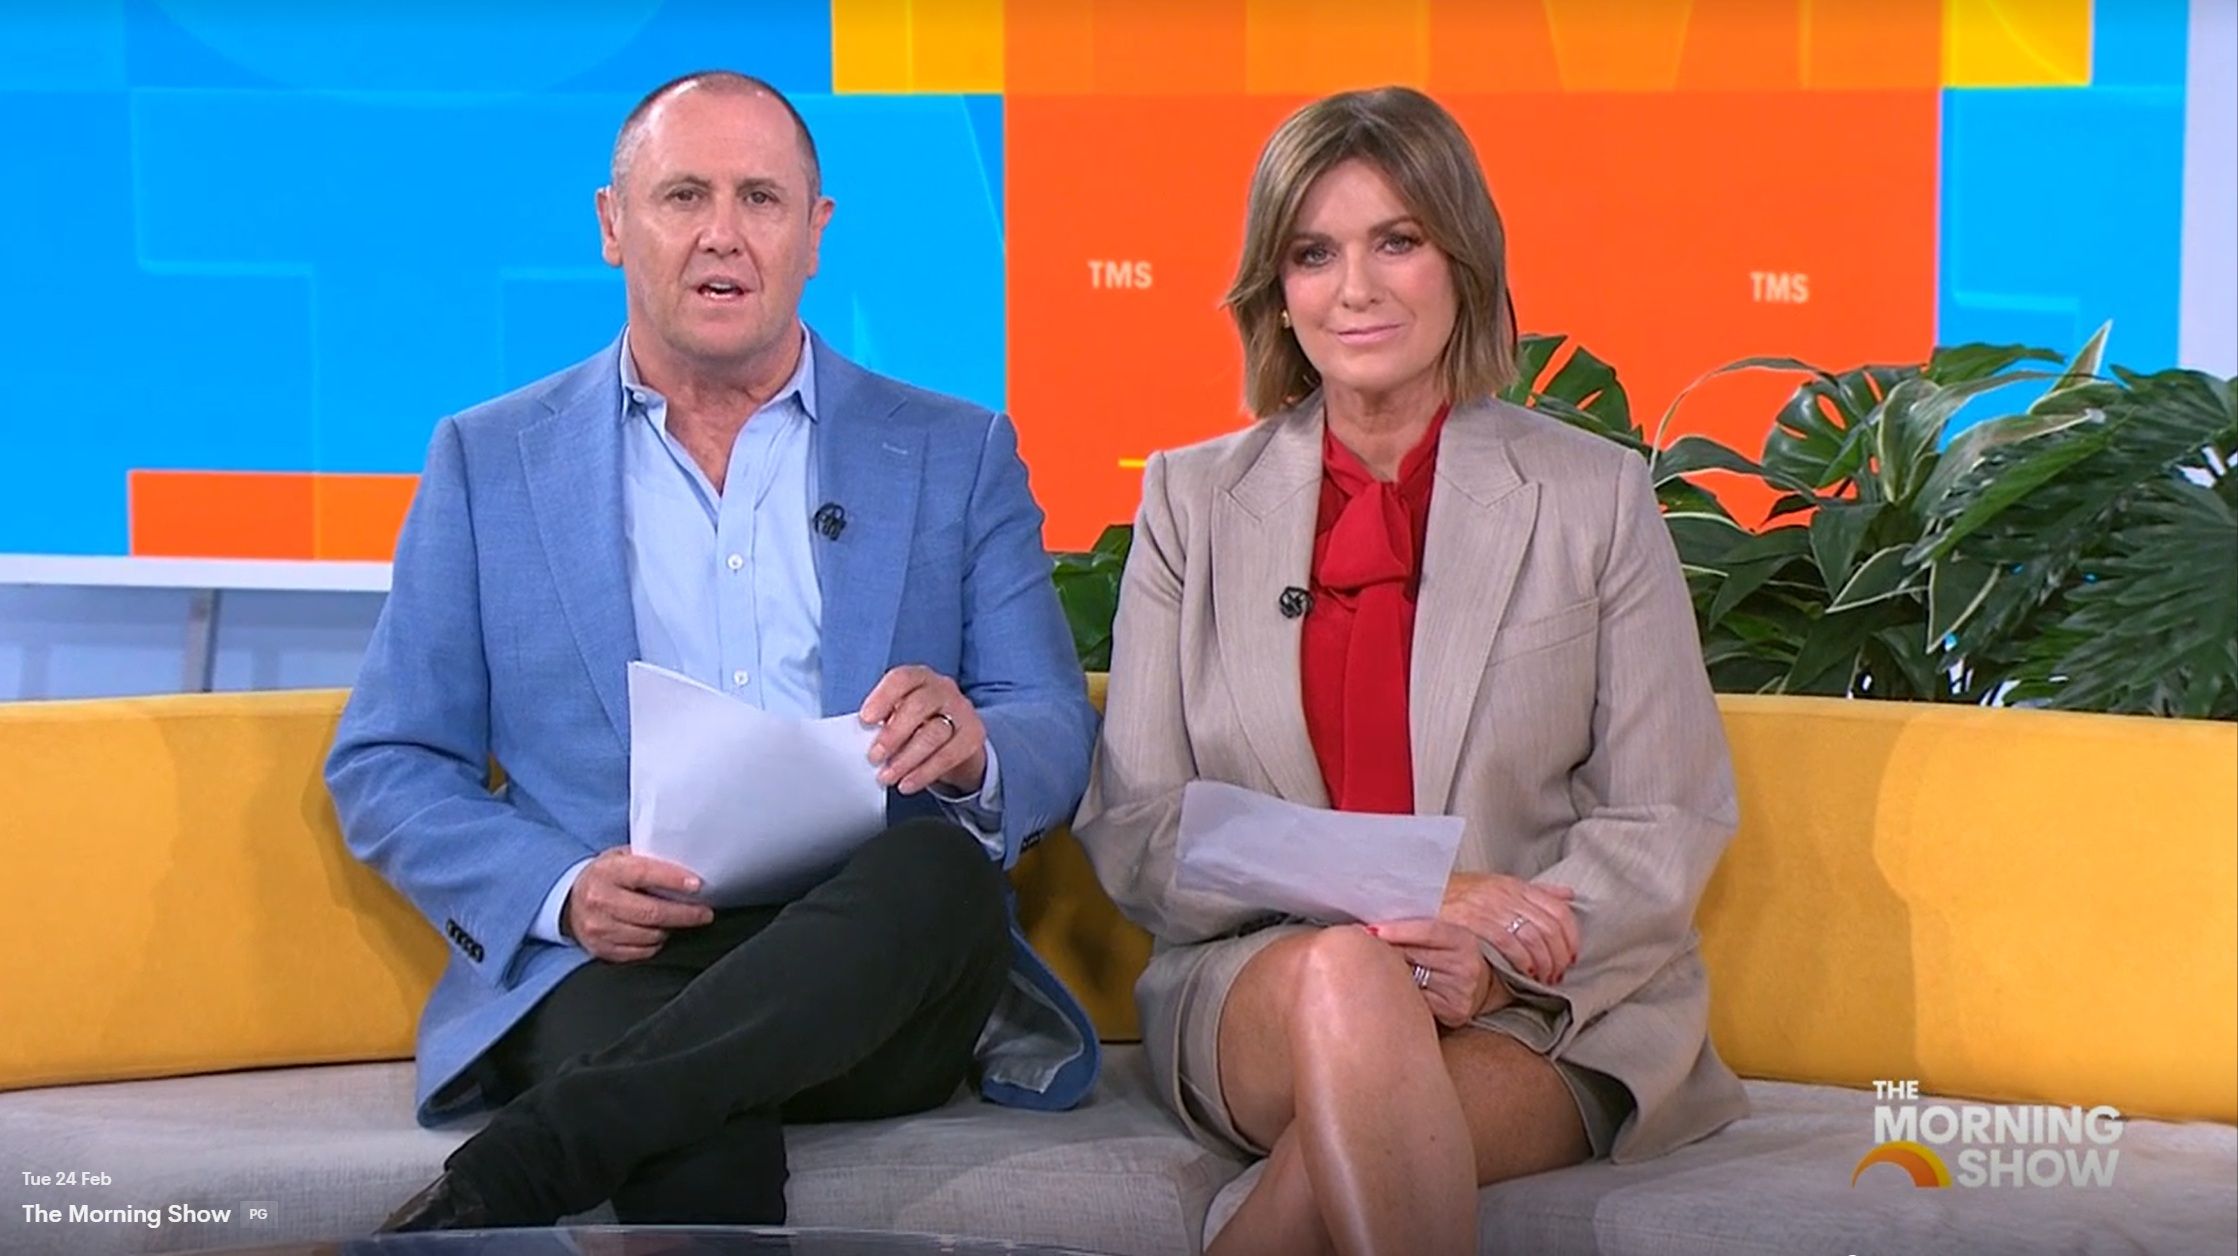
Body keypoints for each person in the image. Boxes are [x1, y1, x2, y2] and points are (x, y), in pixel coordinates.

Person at [326, 70, 1099, 1231]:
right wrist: (563, 891)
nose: (723, 234)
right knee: (685, 1096)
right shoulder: (490, 461)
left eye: (761, 199)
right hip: (619, 962)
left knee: (937, 874)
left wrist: (975, 745)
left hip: (878, 961)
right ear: (613, 224)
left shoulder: (955, 448)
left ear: (814, 233)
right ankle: (561, 1145)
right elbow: (389, 758)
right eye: (684, 195)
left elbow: (1048, 714)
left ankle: (520, 1166)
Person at [1073, 86, 1748, 1256]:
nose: (1356, 289)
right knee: (1351, 978)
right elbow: (1140, 829)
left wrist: (1489, 952)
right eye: (1313, 253)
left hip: (1540, 1008)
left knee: (1347, 1153)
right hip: (1264, 980)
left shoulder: (1590, 497)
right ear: (1277, 288)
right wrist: (1411, 890)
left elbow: (1665, 813)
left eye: (1397, 241)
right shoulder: (1192, 503)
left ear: (1462, 261)